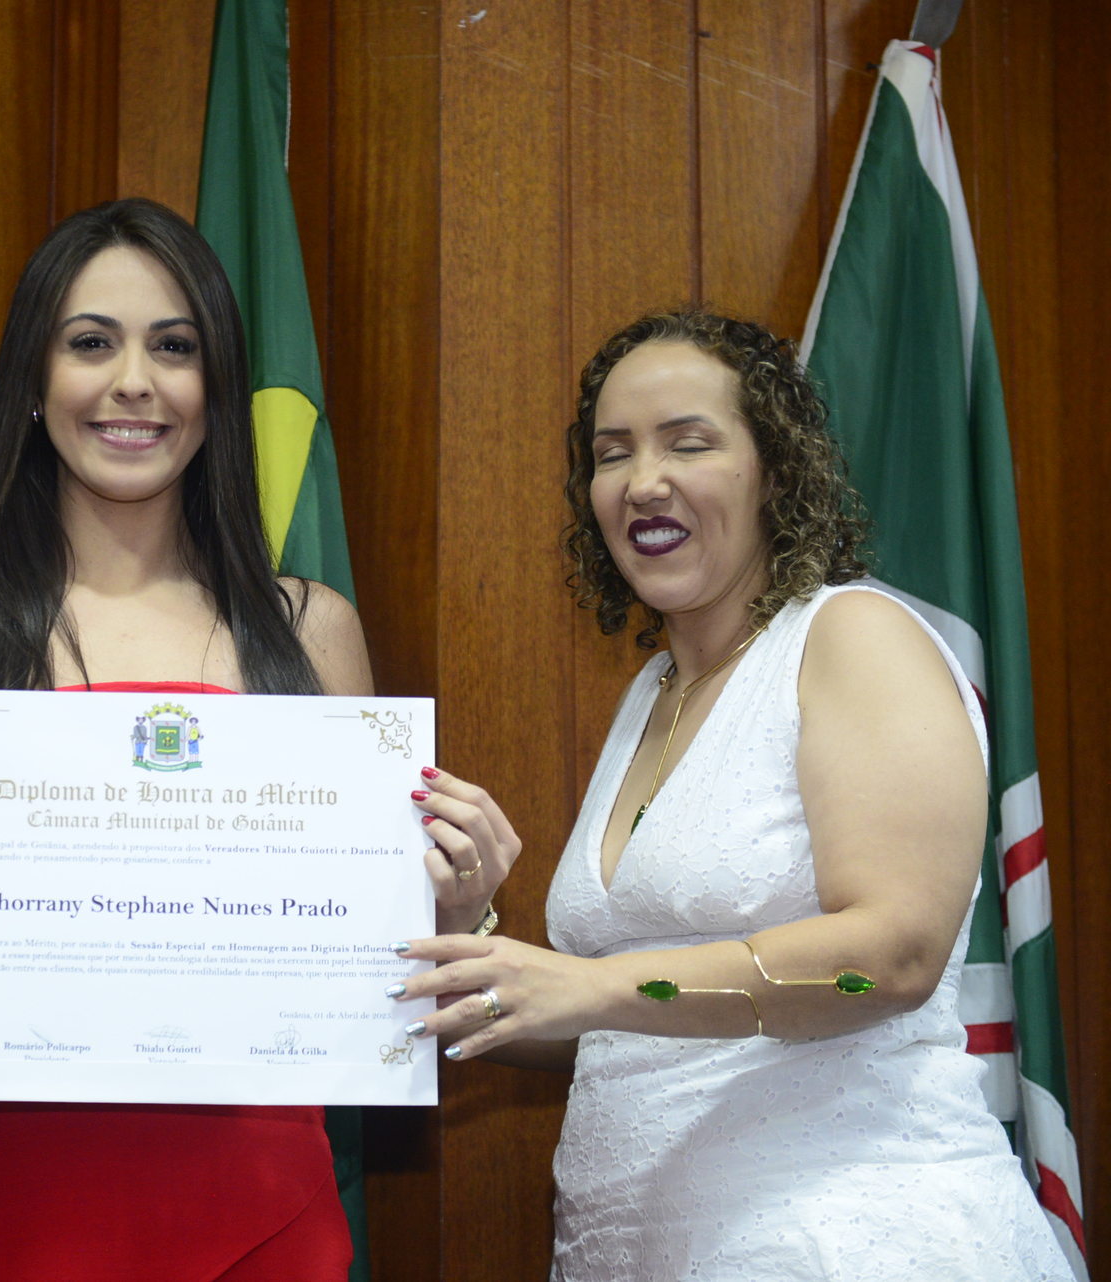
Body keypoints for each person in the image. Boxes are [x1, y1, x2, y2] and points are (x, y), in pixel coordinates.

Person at [0, 199, 492, 1280]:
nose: (135, 382)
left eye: (175, 347)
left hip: (257, 1208)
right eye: (91, 342)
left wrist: (457, 909)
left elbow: (376, 972)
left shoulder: (310, 633)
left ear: (216, 386)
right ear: (33, 379)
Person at [390, 310, 1073, 1279]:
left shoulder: (853, 635)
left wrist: (590, 985)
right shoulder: (653, 693)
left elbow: (891, 958)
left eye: (688, 442)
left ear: (776, 471)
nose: (643, 480)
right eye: (613, 453)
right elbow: (626, 1025)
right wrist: (475, 946)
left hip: (849, 1238)